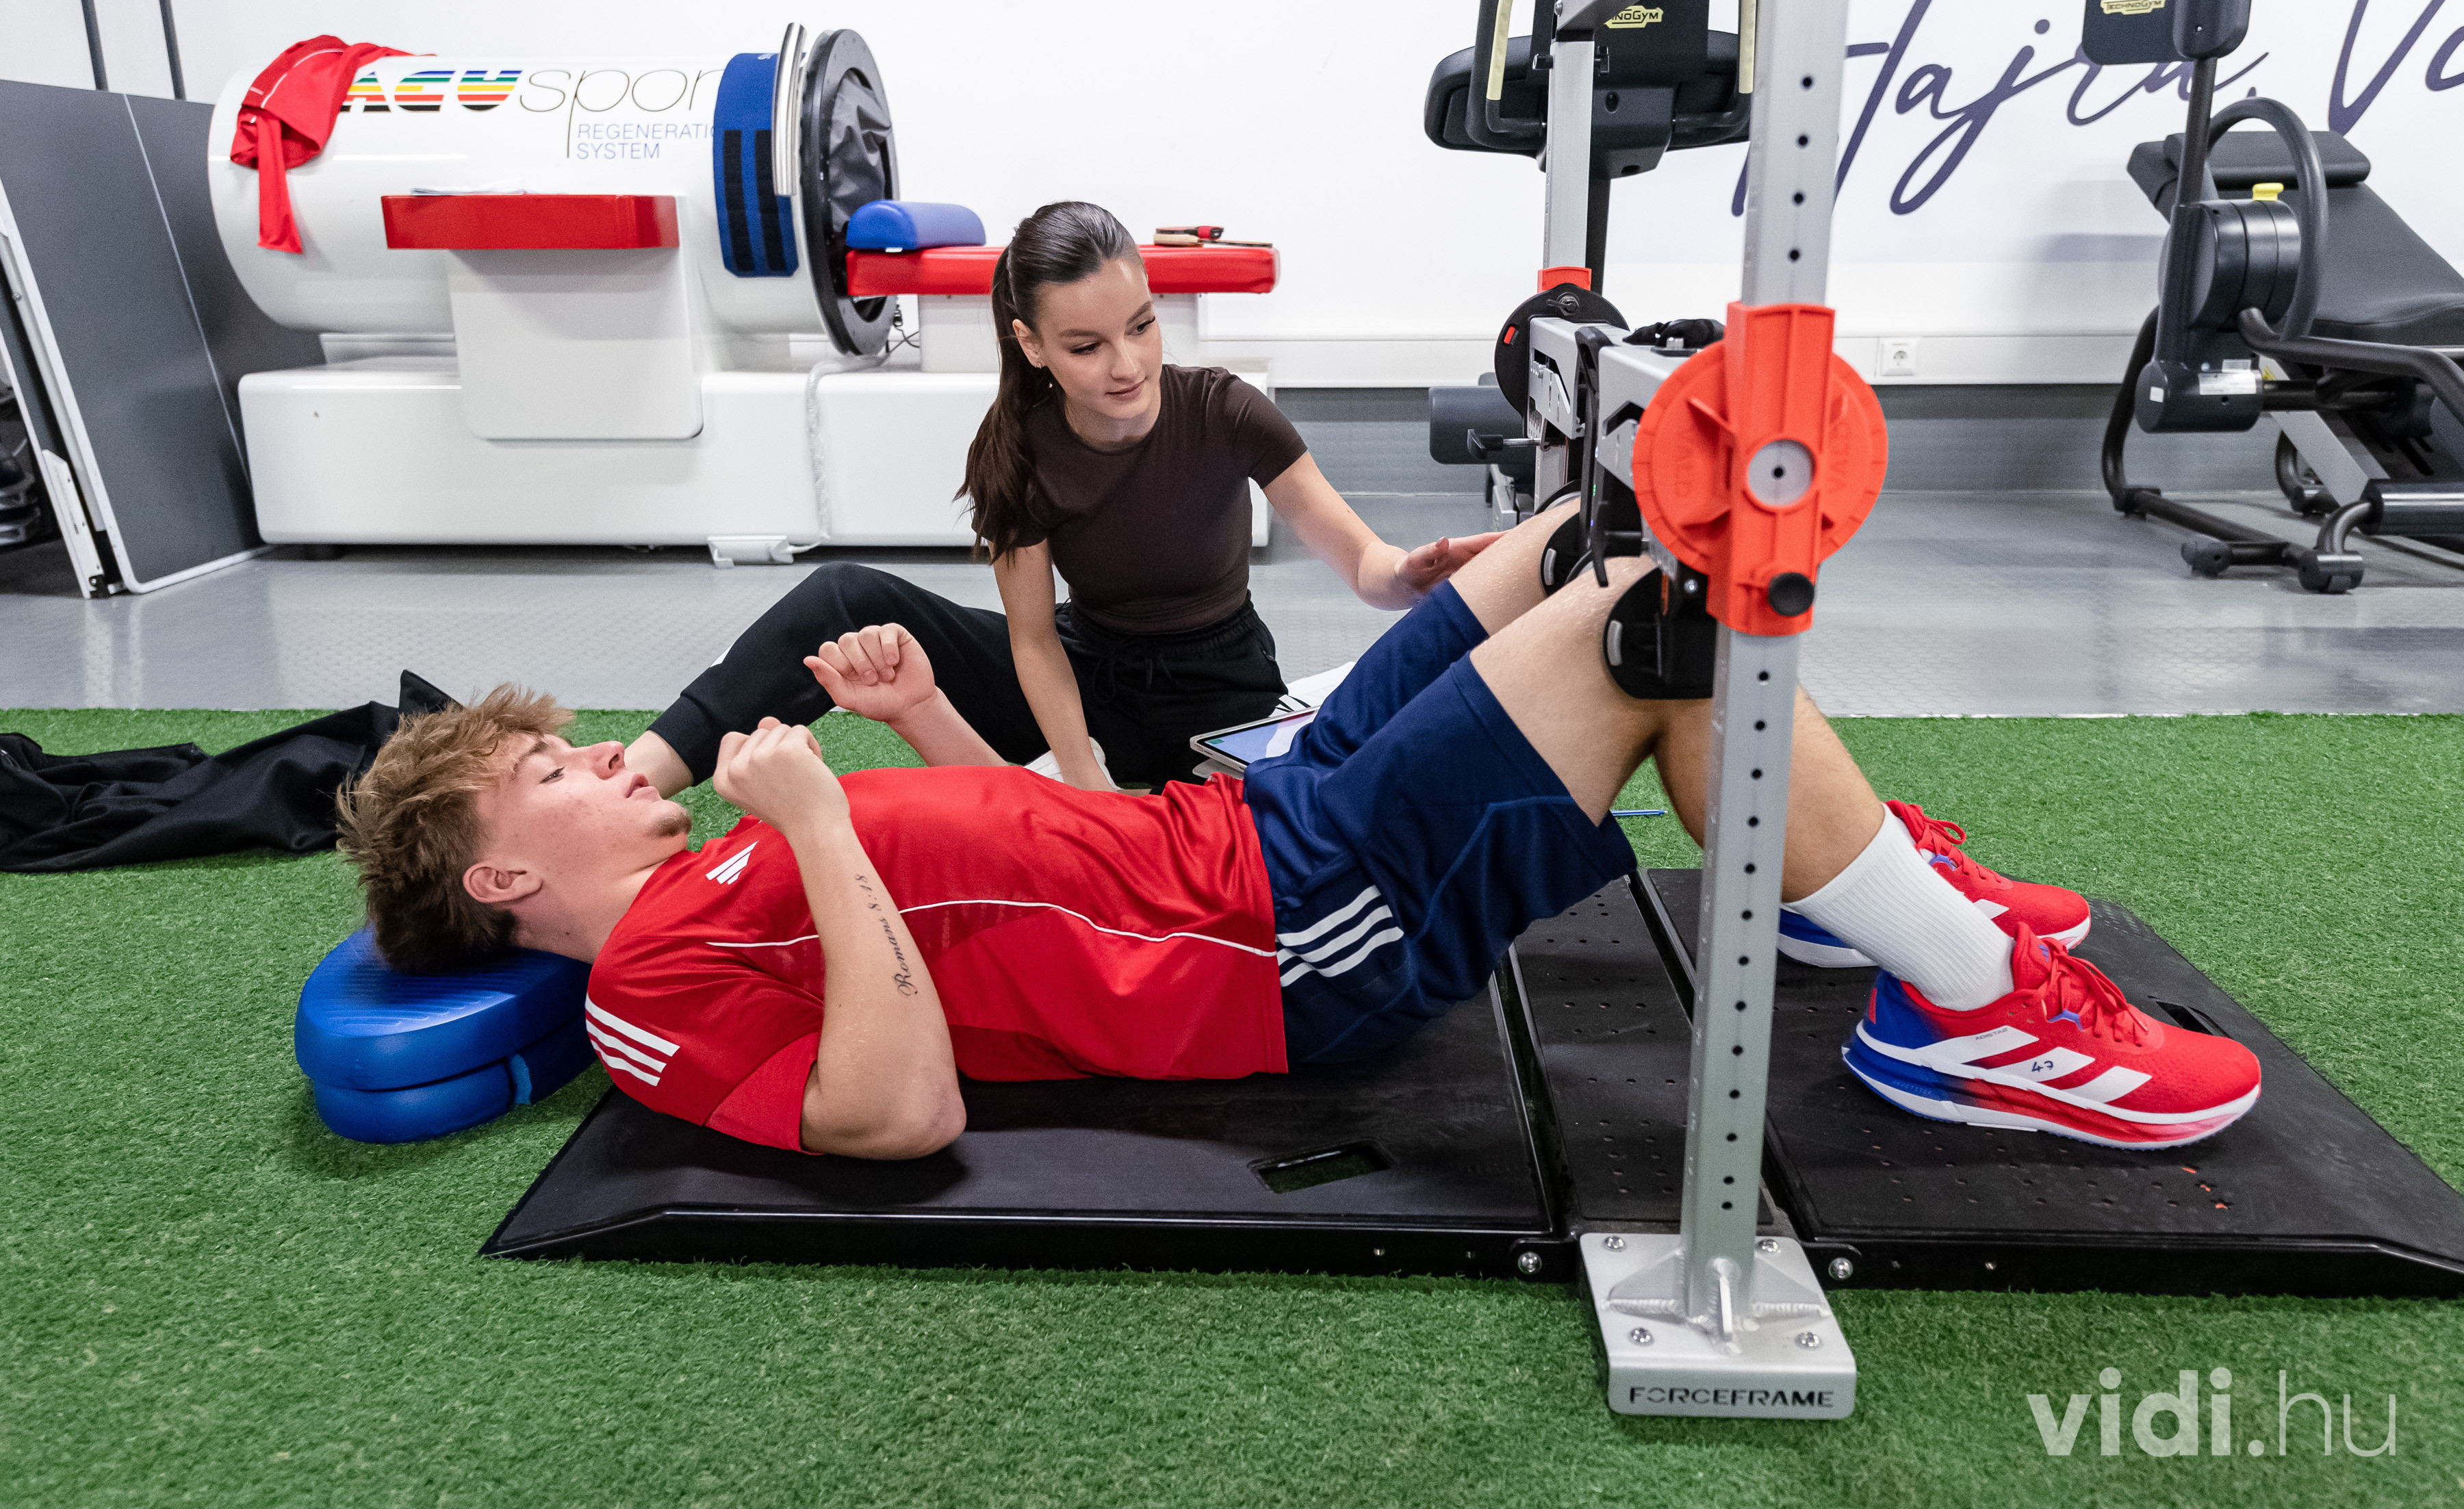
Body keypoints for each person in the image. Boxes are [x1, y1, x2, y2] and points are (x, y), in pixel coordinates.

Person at [334, 499, 2261, 1160]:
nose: (602, 759)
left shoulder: (724, 863)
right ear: (503, 877)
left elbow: (1034, 859)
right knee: (1663, 629)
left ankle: (1842, 887)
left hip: (1240, 820)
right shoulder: (647, 990)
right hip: (1281, 932)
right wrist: (826, 820)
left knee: (1579, 538)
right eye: (553, 776)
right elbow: (898, 1111)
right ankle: (1976, 1019)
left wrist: (915, 726)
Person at [626, 201, 1496, 798]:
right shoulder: (1018, 449)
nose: (1127, 364)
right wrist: (1079, 769)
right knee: (842, 596)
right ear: (1032, 344)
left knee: (1303, 819)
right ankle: (628, 782)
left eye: (1142, 326)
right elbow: (1035, 640)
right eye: (1087, 346)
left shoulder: (1226, 409)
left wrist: (1411, 573)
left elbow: (1364, 563)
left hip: (1218, 691)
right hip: (1078, 679)